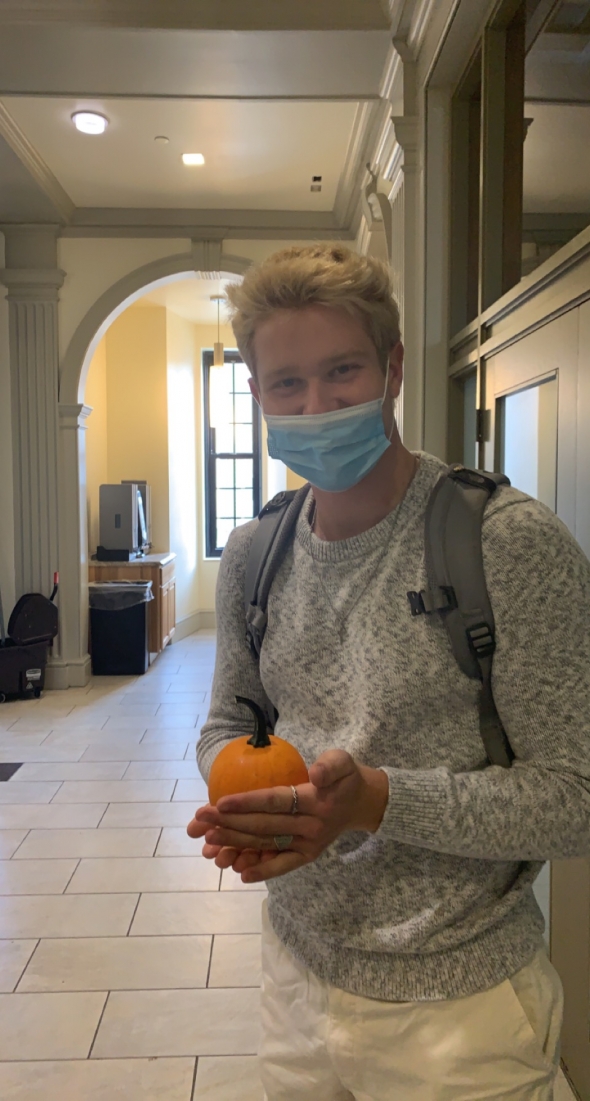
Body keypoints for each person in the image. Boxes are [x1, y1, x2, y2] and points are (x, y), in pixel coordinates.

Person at [187, 244, 590, 1100]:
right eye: (286, 384)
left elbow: (576, 797)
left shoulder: (507, 542)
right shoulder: (257, 552)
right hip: (295, 978)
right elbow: (229, 720)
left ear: (394, 368)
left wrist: (375, 800)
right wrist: (251, 808)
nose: (316, 403)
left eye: (343, 371)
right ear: (256, 395)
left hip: (463, 1013)